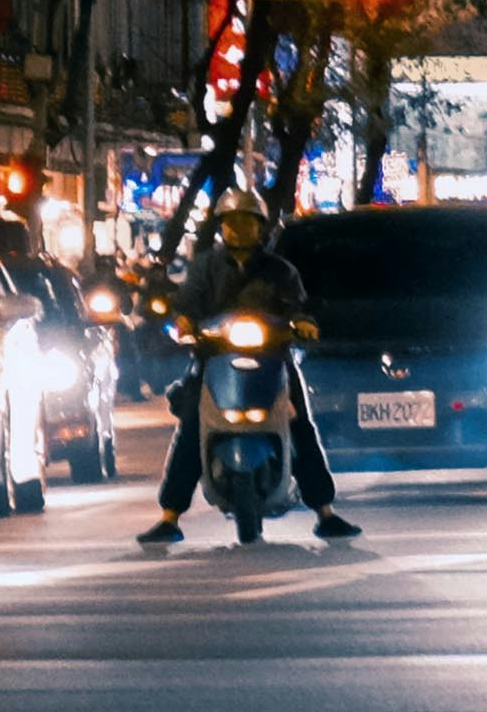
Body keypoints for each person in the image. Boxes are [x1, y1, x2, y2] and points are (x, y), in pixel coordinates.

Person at [136, 188, 353, 549]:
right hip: (213, 359)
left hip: (272, 358)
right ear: (222, 227)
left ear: (260, 227)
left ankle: (325, 512)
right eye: (232, 222)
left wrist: (302, 322)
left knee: (299, 424)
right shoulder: (205, 265)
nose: (239, 229)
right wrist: (186, 321)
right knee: (191, 426)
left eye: (247, 222)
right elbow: (186, 303)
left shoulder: (280, 270)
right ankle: (170, 516)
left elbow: (296, 305)